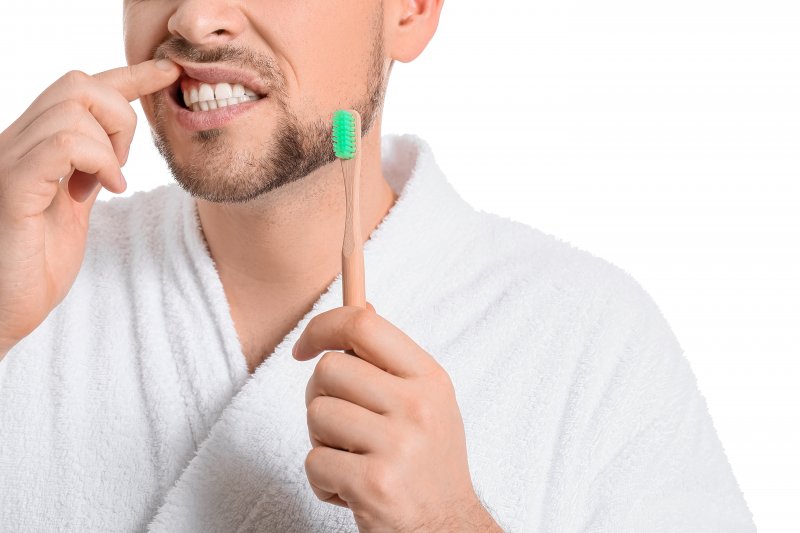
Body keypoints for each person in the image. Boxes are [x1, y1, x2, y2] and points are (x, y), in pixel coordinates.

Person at [0, 1, 756, 531]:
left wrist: (448, 524)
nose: (193, 17)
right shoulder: (25, 278)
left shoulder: (594, 344)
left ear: (410, 9)